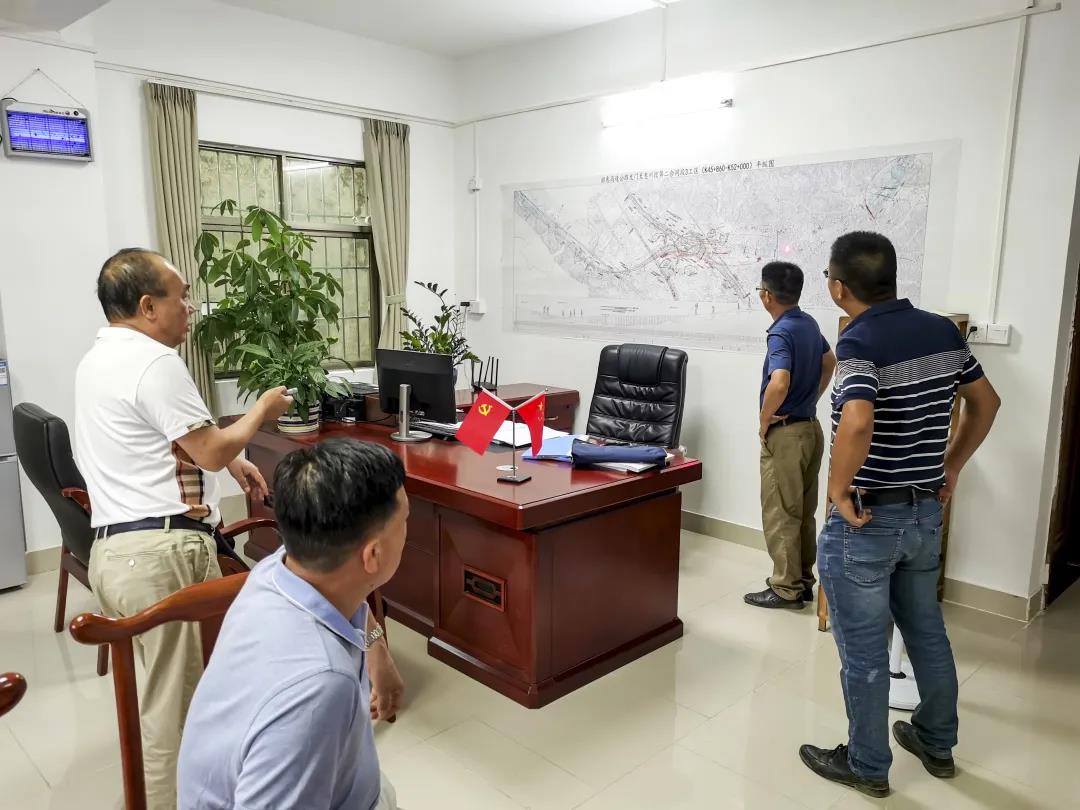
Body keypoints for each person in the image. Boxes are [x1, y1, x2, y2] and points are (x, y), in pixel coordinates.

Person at [74, 248, 292, 809]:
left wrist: (229, 457)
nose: (191, 308)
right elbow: (210, 449)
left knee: (165, 701)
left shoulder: (99, 358)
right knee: (174, 717)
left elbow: (160, 439)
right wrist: (261, 412)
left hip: (118, 553)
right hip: (160, 556)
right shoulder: (155, 362)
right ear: (148, 306)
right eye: (182, 296)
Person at [799, 232, 1000, 797]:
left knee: (863, 651)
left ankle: (867, 765)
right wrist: (950, 466)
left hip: (867, 521)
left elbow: (858, 420)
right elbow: (987, 402)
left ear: (839, 287)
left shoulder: (860, 340)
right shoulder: (942, 331)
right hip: (922, 516)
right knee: (927, 632)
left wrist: (837, 488)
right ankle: (936, 742)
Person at [177, 438, 407, 810]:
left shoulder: (281, 567)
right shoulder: (319, 688)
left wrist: (376, 647)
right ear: (374, 554)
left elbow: (353, 598)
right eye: (405, 522)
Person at [745, 262, 836, 610]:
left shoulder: (780, 332)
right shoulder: (808, 323)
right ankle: (802, 581)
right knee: (802, 512)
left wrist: (763, 419)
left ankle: (785, 588)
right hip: (810, 429)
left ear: (767, 296)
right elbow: (830, 361)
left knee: (781, 512)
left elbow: (779, 381)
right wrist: (812, 397)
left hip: (785, 435)